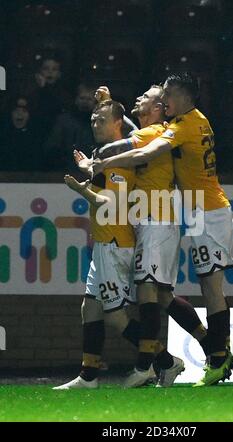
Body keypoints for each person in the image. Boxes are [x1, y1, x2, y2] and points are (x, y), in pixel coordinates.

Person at [92, 73, 233, 386]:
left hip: (205, 210)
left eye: (166, 96)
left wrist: (103, 162)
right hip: (199, 208)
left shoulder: (183, 126)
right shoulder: (189, 121)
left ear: (181, 97)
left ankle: (216, 356)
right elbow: (145, 137)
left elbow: (145, 150)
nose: (163, 101)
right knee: (169, 293)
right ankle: (211, 349)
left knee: (210, 288)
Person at [53, 99, 176, 390]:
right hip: (103, 242)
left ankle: (167, 362)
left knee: (116, 316)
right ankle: (88, 376)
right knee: (90, 308)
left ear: (117, 122)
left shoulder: (120, 161)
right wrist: (88, 172)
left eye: (102, 119)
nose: (95, 124)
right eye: (93, 119)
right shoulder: (107, 157)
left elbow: (113, 203)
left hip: (115, 242)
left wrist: (80, 190)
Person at [43, 82, 97, 171]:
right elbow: (53, 147)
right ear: (76, 100)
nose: (85, 102)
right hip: (66, 171)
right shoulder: (63, 121)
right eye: (82, 98)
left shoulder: (100, 122)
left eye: (89, 99)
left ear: (95, 103)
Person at [0, 95, 43, 171]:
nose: (20, 114)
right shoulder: (3, 137)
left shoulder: (36, 139)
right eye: (16, 110)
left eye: (24, 111)